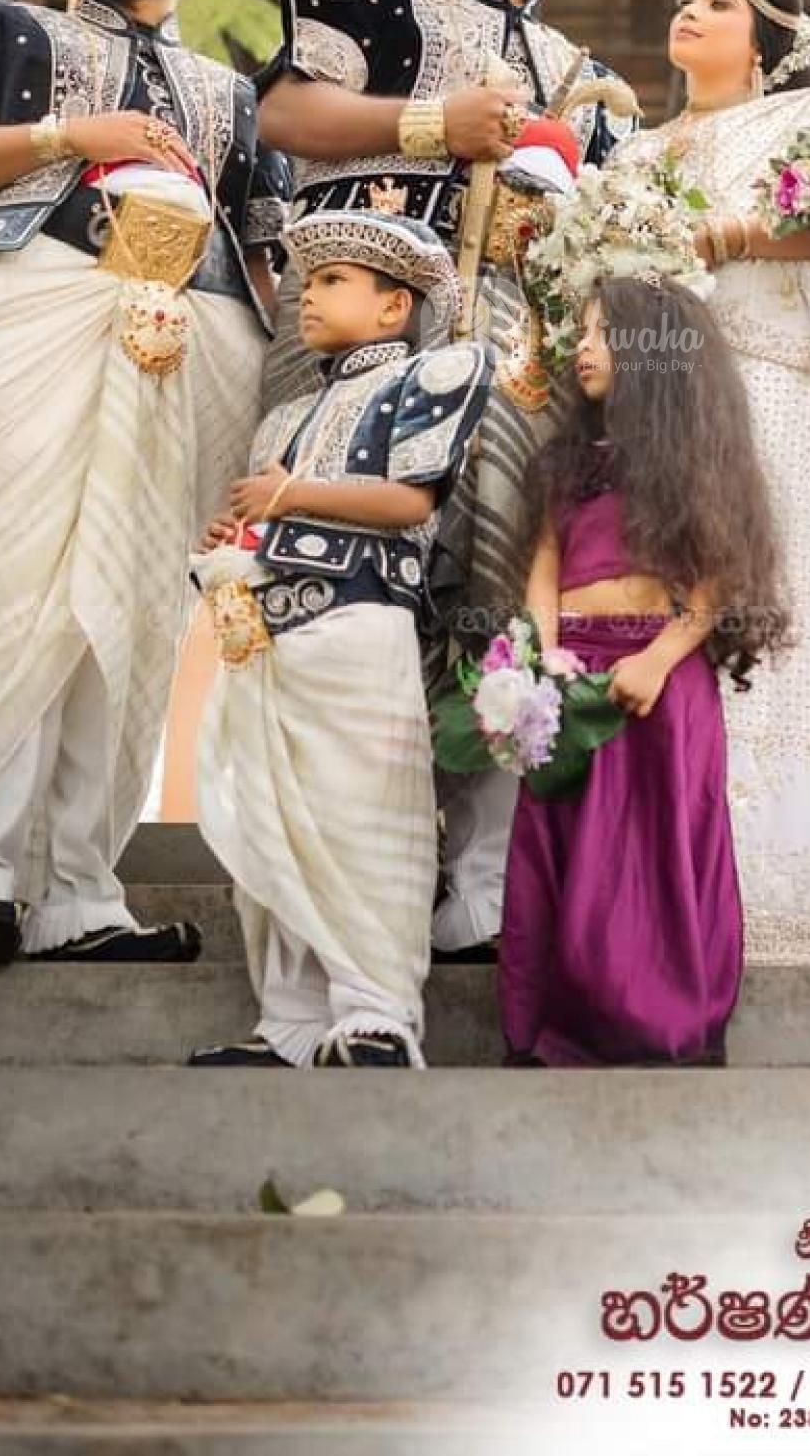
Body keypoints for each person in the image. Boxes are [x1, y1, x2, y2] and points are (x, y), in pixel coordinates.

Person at [0, 0, 287, 965]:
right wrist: (73, 136)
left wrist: (287, 425)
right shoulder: (15, 36)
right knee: (26, 585)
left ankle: (79, 900)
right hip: (22, 312)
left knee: (138, 606)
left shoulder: (231, 98)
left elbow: (268, 268)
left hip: (192, 349)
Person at [257, 0, 635, 958]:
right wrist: (433, 126)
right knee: (355, 568)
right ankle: (342, 864)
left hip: (523, 345)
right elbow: (285, 114)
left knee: (499, 583)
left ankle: (476, 886)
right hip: (377, 308)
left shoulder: (585, 73)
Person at [610, 0, 810, 964]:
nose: (690, 10)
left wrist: (725, 237)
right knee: (665, 605)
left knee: (773, 605)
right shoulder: (633, 153)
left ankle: (782, 898)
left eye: (717, 2)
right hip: (659, 401)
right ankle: (665, 888)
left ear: (769, 42)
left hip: (778, 377)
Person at [188, 213, 491, 1069]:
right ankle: (288, 1026)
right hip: (272, 637)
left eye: (330, 282)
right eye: (306, 282)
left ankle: (376, 1016)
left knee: (365, 823)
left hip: (362, 621)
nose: (306, 299)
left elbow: (410, 503)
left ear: (394, 306)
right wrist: (231, 537)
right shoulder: (284, 416)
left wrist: (287, 497)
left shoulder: (433, 373)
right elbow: (268, 516)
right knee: (276, 831)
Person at [500, 278, 787, 1066]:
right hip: (571, 674)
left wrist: (658, 659)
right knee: (564, 845)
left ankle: (652, 1025)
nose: (583, 348)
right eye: (581, 333)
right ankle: (555, 1028)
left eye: (604, 333)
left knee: (646, 853)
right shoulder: (565, 463)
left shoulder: (695, 461)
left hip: (657, 674)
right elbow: (544, 568)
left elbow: (722, 572)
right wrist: (541, 663)